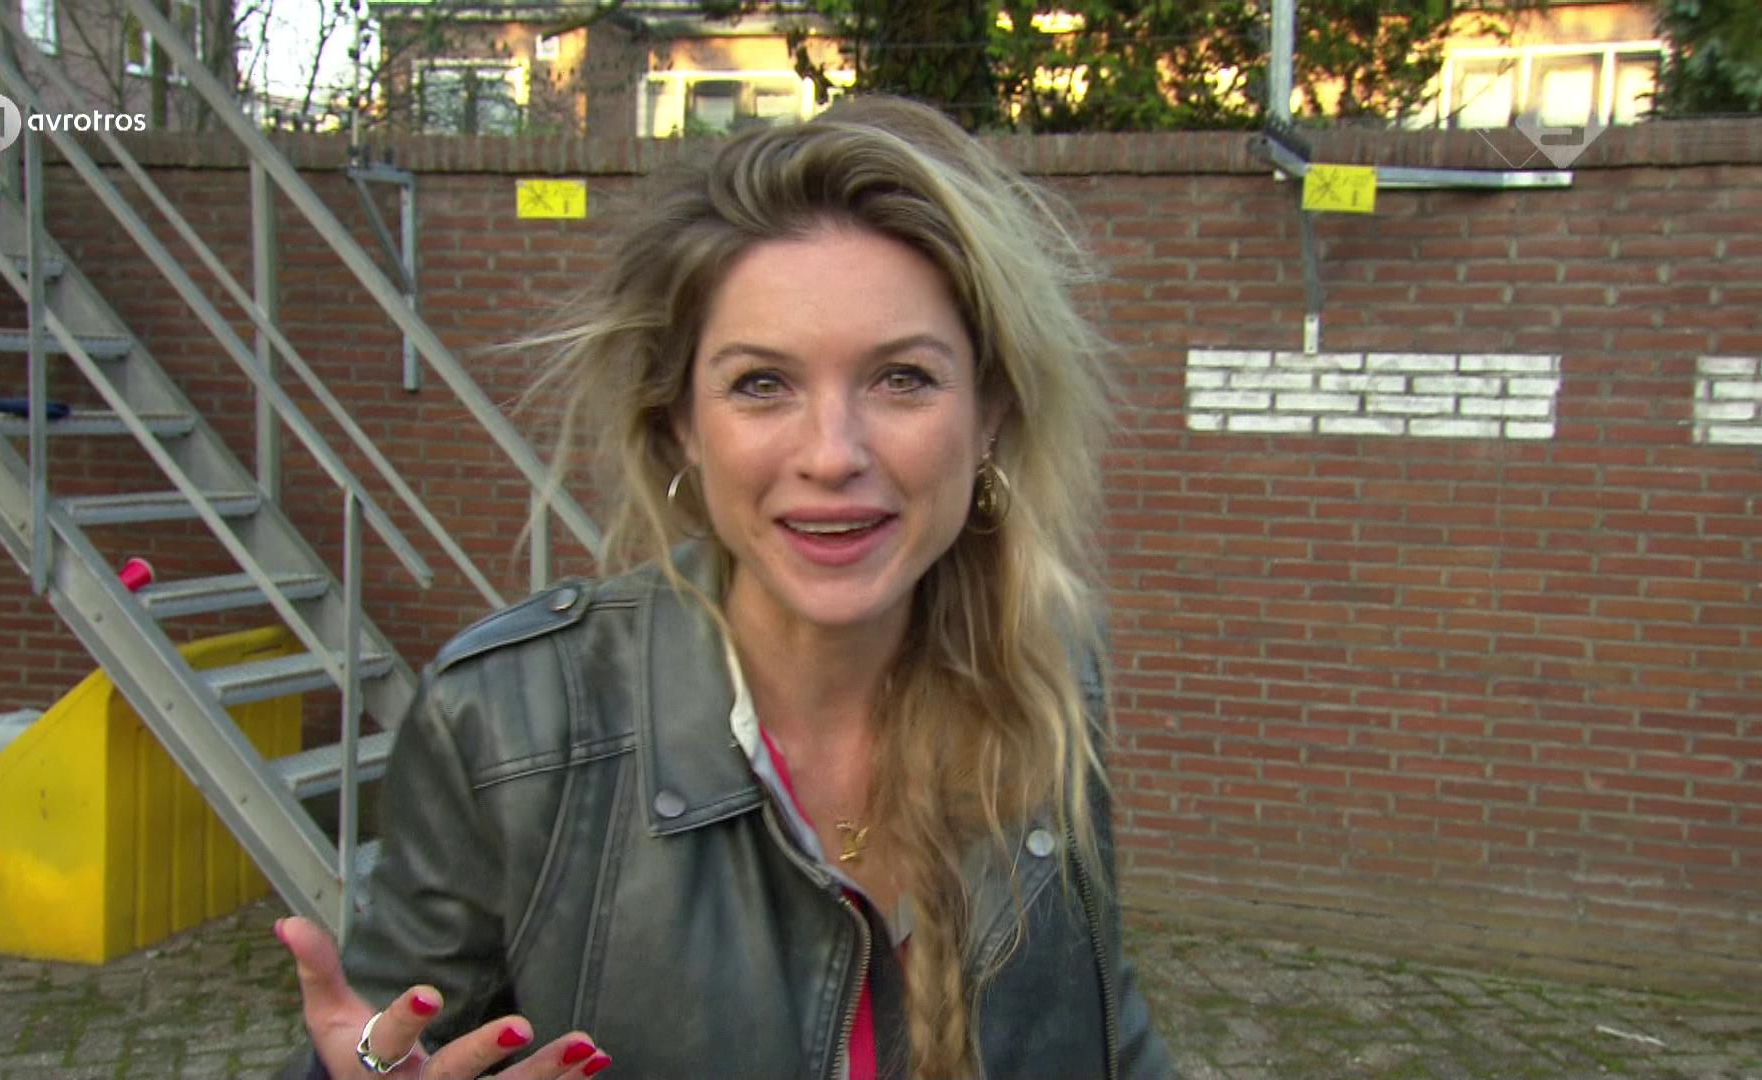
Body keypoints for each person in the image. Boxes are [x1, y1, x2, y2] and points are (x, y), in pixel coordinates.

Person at [278, 94, 1170, 1080]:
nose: (832, 454)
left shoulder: (1044, 677)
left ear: (990, 412)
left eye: (902, 379)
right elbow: (377, 1046)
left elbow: (1104, 1029)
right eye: (761, 384)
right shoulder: (506, 725)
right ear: (682, 427)